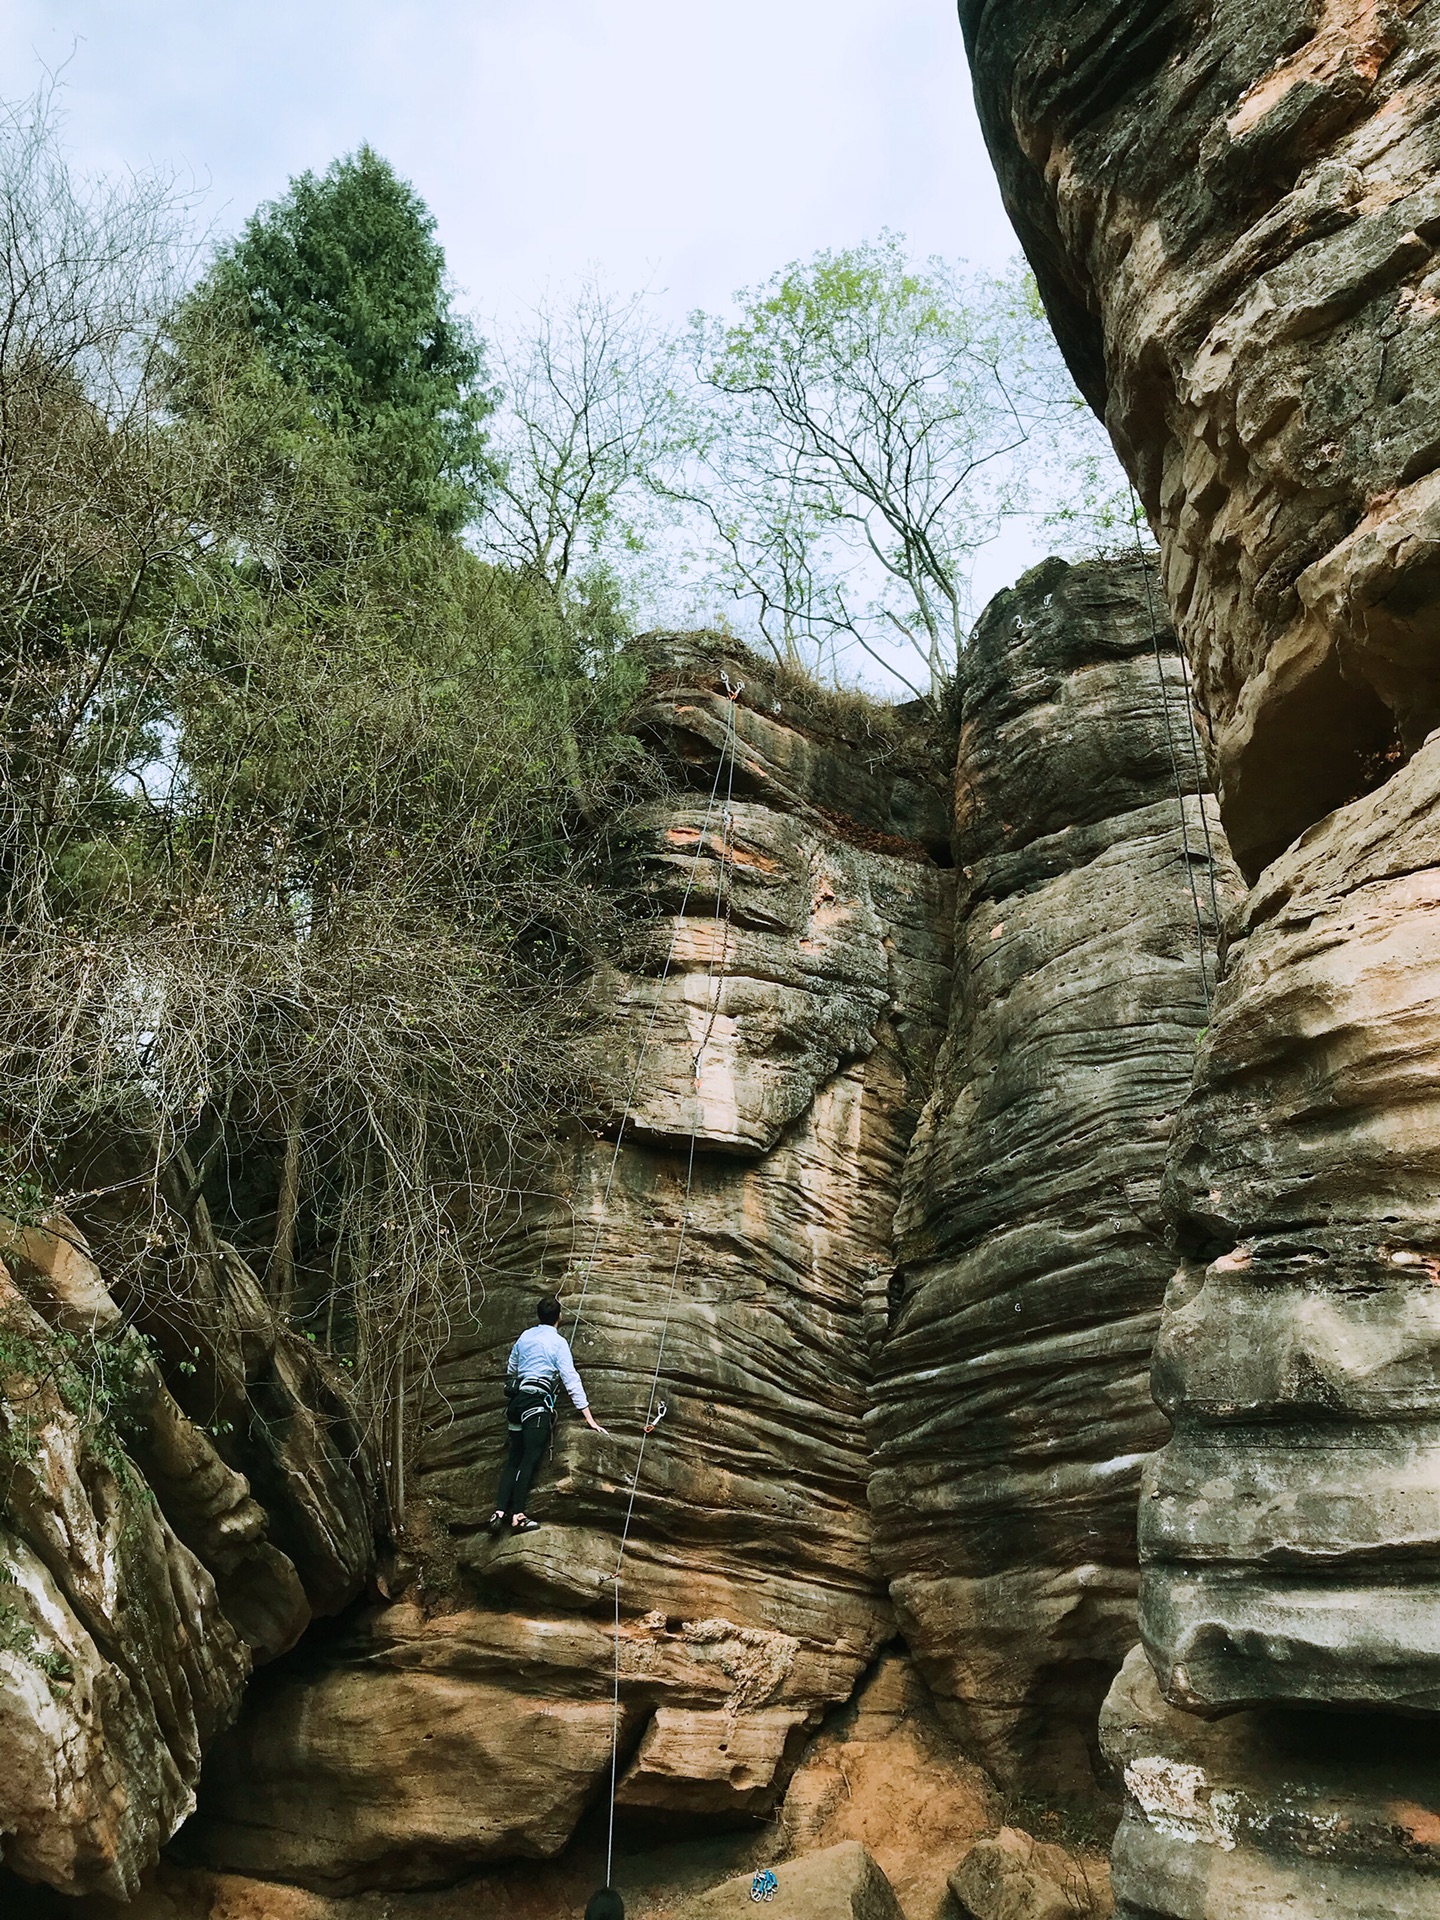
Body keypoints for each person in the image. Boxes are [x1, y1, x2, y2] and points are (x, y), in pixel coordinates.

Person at [489, 1294, 605, 1533]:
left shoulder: (525, 1336)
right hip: (537, 1407)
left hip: (518, 1403)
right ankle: (518, 1516)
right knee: (528, 1461)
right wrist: (589, 1418)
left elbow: (513, 1368)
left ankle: (498, 1513)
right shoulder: (558, 1343)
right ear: (559, 1317)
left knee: (513, 1460)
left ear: (539, 1315)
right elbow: (571, 1379)